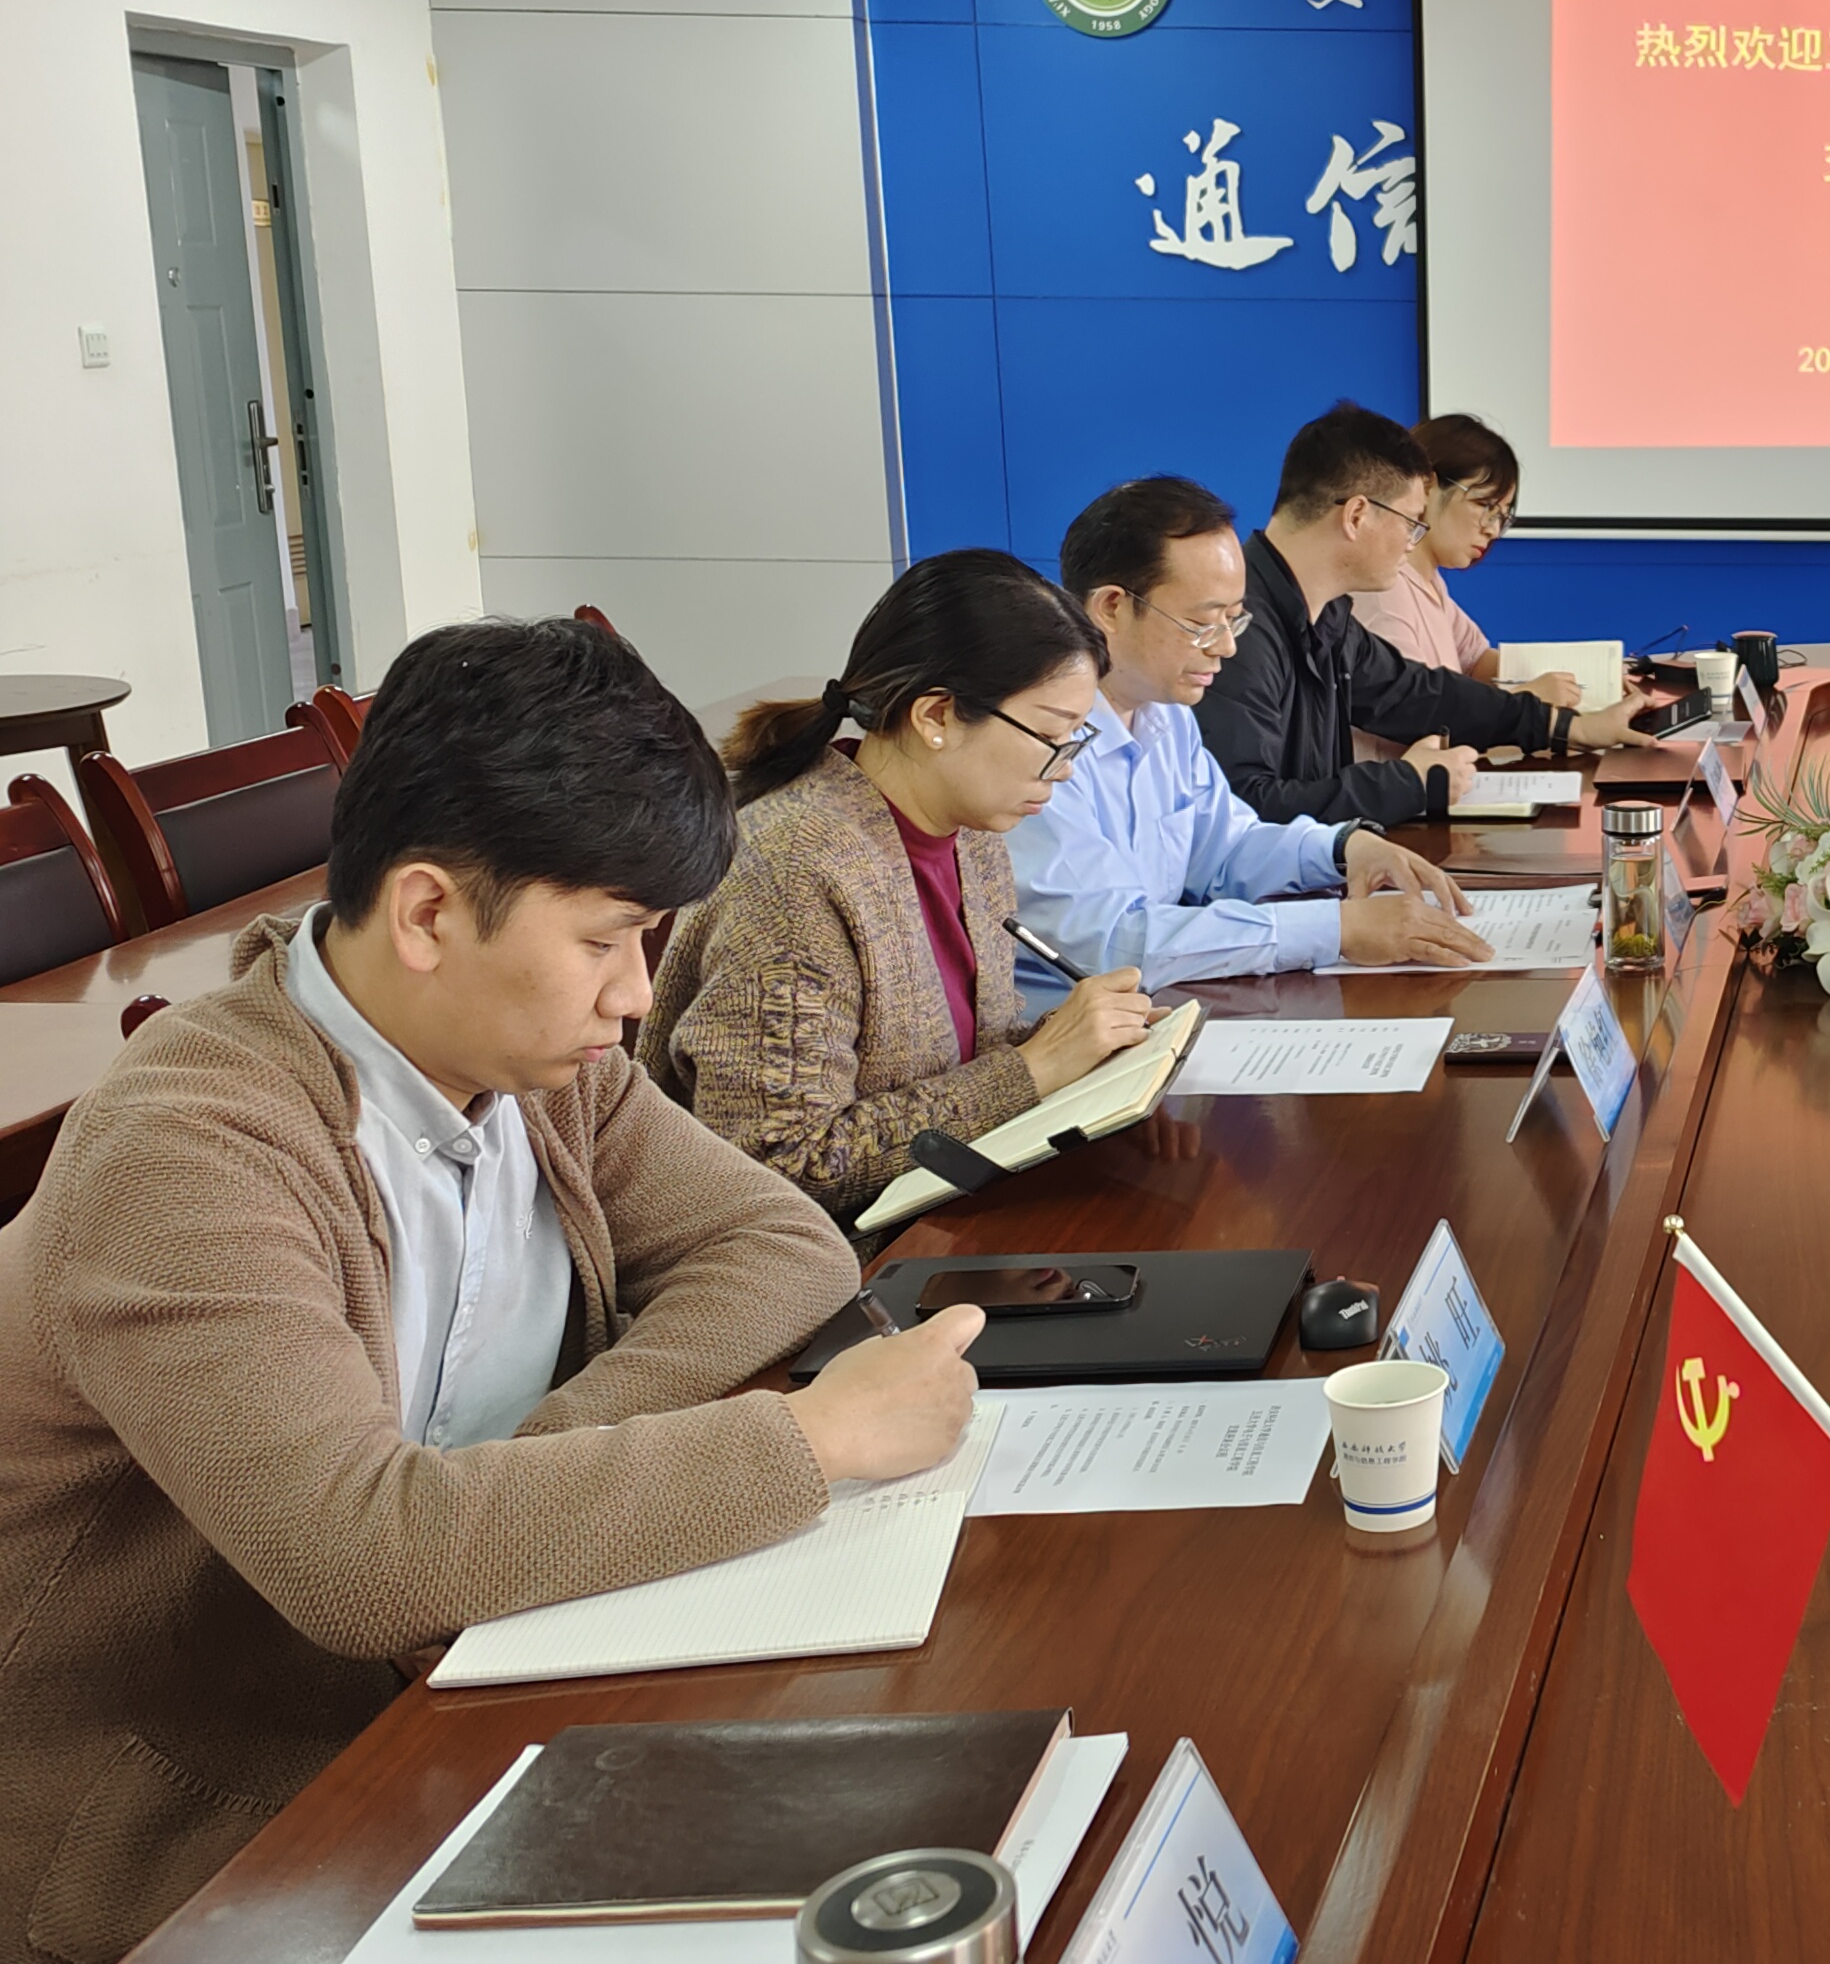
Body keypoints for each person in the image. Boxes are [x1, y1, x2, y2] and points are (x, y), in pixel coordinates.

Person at [0, 618, 988, 1957]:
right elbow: (362, 1564)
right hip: (190, 1813)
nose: (635, 996)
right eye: (606, 940)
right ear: (427, 914)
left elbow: (781, 1246)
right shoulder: (188, 1149)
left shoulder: (537, 1067)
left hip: (458, 1680)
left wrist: (538, 1464)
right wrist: (809, 1440)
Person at [645, 550, 1164, 1219]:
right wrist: (1035, 1068)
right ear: (936, 717)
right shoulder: (794, 871)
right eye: (1049, 735)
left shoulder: (973, 836)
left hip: (946, 1213)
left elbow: (962, 1059)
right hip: (840, 1257)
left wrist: (1084, 1045)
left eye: (1075, 738)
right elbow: (785, 1163)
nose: (1064, 769)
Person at [1012, 475, 1487, 997]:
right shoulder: (1039, 745)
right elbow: (1114, 945)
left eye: (1233, 621)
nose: (1226, 648)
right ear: (1111, 608)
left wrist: (1342, 847)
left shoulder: (1165, 715)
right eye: (1202, 623)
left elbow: (1227, 847)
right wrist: (1336, 929)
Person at [1207, 403, 1664, 830]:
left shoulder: (1326, 614)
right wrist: (1409, 783)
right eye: (1411, 523)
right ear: (1357, 516)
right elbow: (1246, 810)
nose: (1413, 542)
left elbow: (1417, 694)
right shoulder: (1237, 630)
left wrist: (1569, 728)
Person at [1347, 412, 1584, 721]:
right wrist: (1525, 701)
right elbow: (1413, 717)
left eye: (1502, 516)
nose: (1492, 530)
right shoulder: (1386, 590)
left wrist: (1596, 675)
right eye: (1484, 505)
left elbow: (1478, 662)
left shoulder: (1429, 582)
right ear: (1426, 487)